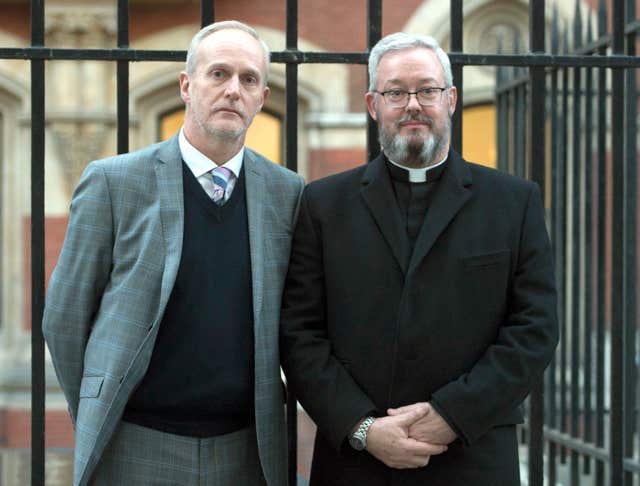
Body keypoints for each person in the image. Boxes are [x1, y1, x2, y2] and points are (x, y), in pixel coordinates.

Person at [280, 32, 558, 485]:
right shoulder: (323, 205)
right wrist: (364, 428)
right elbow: (299, 333)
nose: (413, 104)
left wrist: (451, 414)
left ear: (450, 99)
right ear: (374, 104)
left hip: (473, 456)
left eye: (427, 90)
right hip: (357, 464)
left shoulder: (513, 202)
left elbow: (535, 329)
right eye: (395, 92)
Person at [43, 20, 303, 486]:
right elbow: (65, 316)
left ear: (263, 98)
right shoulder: (114, 181)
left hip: (246, 449)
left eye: (248, 80)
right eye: (218, 74)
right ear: (187, 85)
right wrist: (99, 402)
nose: (232, 91)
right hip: (136, 443)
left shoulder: (288, 193)